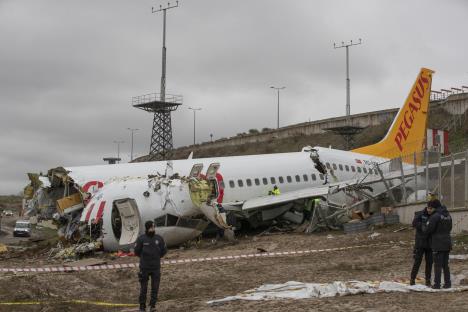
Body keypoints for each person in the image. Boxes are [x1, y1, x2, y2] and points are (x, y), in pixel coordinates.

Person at [134, 220, 167, 312]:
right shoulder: (141, 239)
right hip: (144, 268)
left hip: (156, 268)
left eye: (154, 227)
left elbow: (164, 251)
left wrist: (156, 257)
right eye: (151, 227)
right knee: (143, 288)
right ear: (147, 228)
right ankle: (142, 306)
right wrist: (145, 258)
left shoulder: (159, 238)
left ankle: (152, 305)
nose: (153, 228)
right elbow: (137, 252)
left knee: (155, 288)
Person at [423, 199, 452, 289]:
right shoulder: (448, 215)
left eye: (430, 208)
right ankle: (447, 284)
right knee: (445, 265)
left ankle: (437, 284)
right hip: (447, 242)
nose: (428, 210)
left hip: (438, 243)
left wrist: (424, 227)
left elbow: (428, 229)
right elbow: (450, 228)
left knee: (437, 265)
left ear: (435, 208)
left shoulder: (435, 216)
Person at [410, 206, 432, 286]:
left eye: (432, 209)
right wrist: (422, 225)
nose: (430, 210)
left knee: (429, 263)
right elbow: (414, 223)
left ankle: (428, 280)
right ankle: (412, 279)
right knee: (417, 262)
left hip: (430, 243)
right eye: (429, 208)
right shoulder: (420, 214)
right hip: (420, 243)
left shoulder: (433, 215)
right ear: (427, 208)